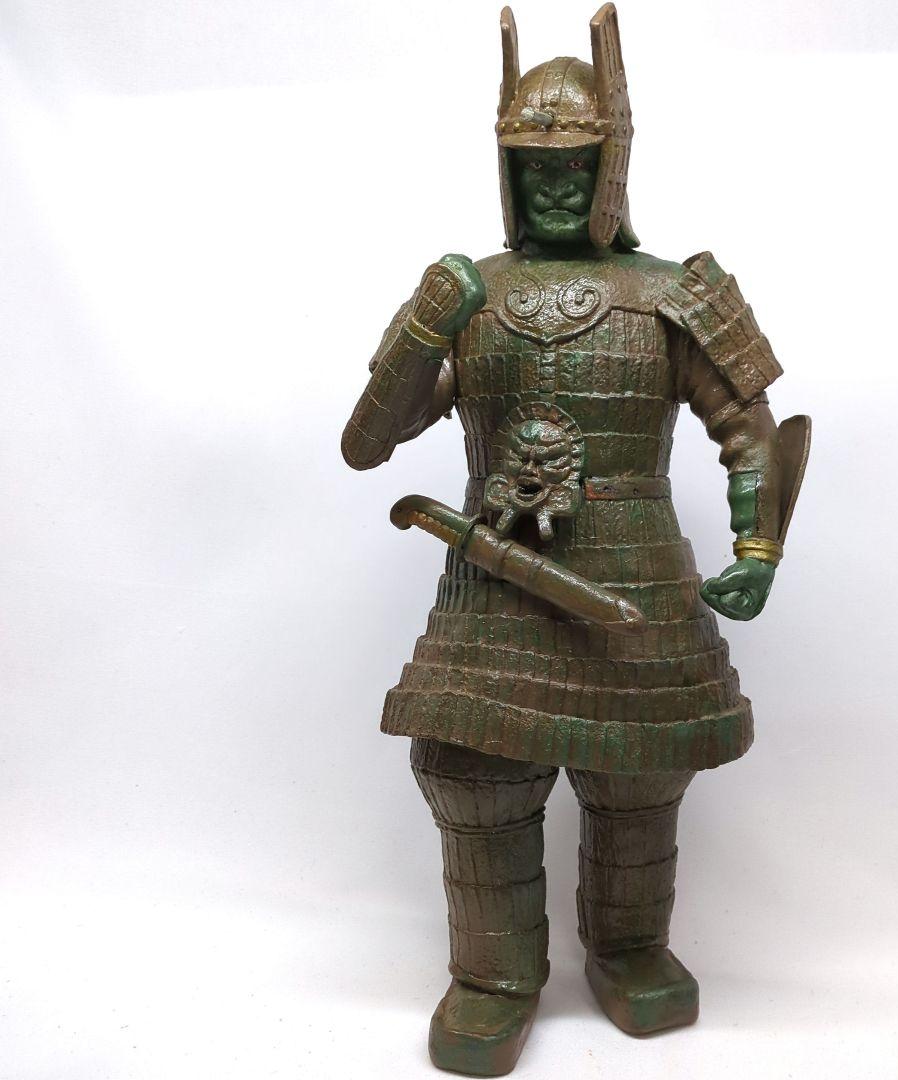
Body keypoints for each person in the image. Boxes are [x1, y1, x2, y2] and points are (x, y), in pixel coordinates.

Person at [341, 6, 809, 1074]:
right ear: (504, 168)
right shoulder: (472, 293)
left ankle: (630, 948)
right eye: (532, 166)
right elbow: (368, 444)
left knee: (639, 776)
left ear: (612, 164)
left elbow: (748, 428)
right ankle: (493, 975)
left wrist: (756, 552)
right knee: (475, 775)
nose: (553, 186)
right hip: (493, 585)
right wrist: (424, 323)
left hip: (633, 576)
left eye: (573, 166)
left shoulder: (675, 292)